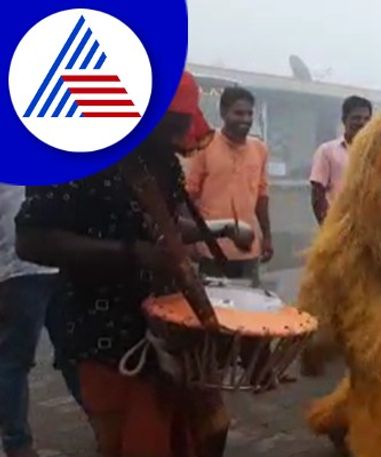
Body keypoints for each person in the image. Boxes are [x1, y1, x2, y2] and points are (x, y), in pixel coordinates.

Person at [15, 71, 251, 457]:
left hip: (168, 329)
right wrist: (132, 254)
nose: (181, 137)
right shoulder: (78, 155)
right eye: (173, 124)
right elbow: (32, 239)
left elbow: (167, 224)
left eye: (184, 124)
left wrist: (221, 229)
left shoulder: (163, 162)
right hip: (105, 334)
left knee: (204, 433)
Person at [0, 185, 80, 457]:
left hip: (57, 261)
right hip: (19, 269)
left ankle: (103, 419)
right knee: (14, 360)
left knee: (73, 351)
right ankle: (17, 443)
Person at [186, 86, 272, 286]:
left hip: (248, 250)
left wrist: (267, 237)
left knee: (248, 309)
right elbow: (189, 196)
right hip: (211, 249)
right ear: (223, 113)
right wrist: (189, 242)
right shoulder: (205, 145)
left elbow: (262, 196)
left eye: (249, 113)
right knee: (215, 309)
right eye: (238, 113)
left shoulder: (259, 149)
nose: (245, 119)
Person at [309, 95, 372, 225]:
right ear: (344, 120)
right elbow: (317, 194)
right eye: (356, 118)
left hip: (370, 227)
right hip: (338, 227)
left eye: (367, 119)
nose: (362, 123)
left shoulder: (377, 153)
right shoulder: (327, 150)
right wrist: (327, 226)